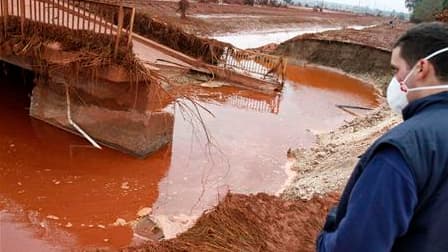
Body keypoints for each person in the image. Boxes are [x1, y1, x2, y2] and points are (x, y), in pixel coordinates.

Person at [316, 22, 448, 252]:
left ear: (422, 68)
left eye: (397, 69)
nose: (395, 80)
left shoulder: (404, 148)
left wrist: (324, 240)